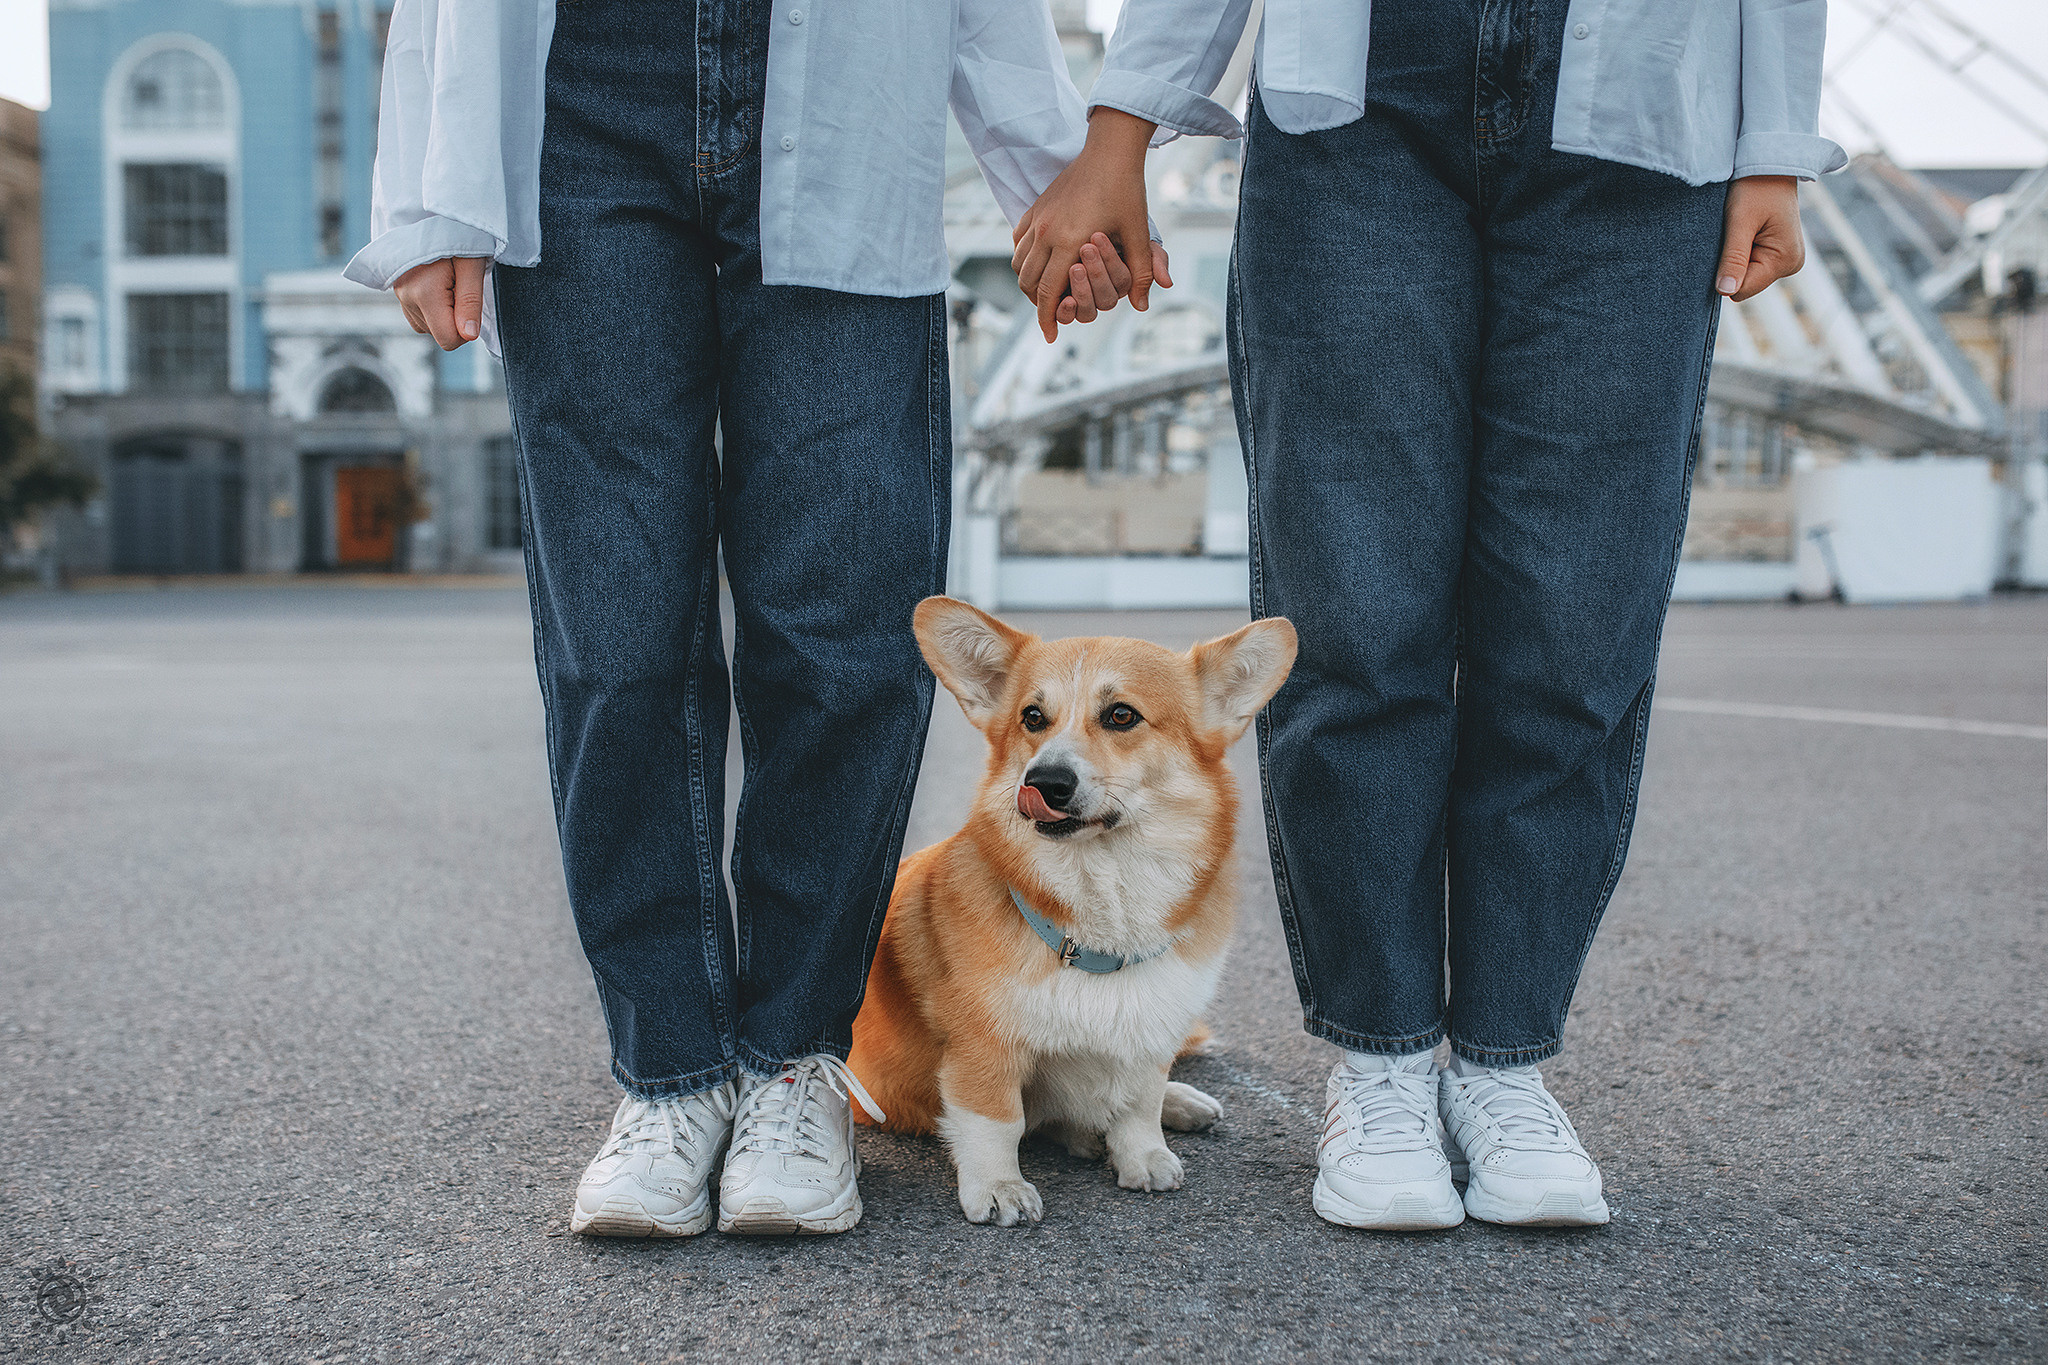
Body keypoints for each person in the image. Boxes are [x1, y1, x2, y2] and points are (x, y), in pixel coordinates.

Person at [1017, 0, 1842, 1229]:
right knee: (1351, 623)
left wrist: (1771, 144)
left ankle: (1504, 1066)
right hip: (1360, 99)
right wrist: (1120, 123)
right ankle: (1382, 1059)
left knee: (1574, 631)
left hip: (1636, 108)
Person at [344, 0, 1158, 1237]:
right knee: (616, 646)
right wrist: (427, 198)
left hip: (844, 76)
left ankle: (790, 1064)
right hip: (582, 94)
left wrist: (1052, 166)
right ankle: (668, 1074)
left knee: (841, 644)